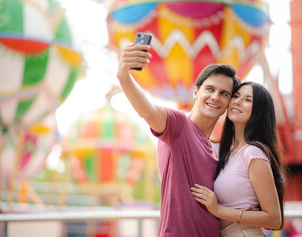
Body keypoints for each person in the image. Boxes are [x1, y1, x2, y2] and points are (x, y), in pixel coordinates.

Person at [116, 43, 240, 236]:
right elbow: (148, 111)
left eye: (224, 93)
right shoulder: (178, 125)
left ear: (229, 102)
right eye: (210, 89)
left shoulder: (212, 149)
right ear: (196, 92)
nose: (215, 97)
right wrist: (124, 77)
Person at [191, 81, 286, 236]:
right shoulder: (229, 153)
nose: (237, 101)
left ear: (259, 111)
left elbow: (274, 218)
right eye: (236, 96)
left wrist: (219, 210)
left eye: (248, 100)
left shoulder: (252, 153)